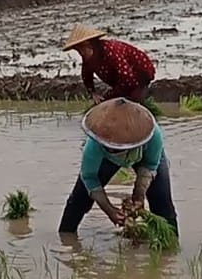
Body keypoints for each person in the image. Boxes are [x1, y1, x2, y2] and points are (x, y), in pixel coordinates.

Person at [58, 98, 178, 236]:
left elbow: (150, 165)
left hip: (143, 156)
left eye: (116, 149)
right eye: (110, 147)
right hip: (106, 160)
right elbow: (89, 177)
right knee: (79, 198)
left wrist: (139, 195)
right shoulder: (94, 146)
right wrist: (109, 209)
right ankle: (65, 237)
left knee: (162, 201)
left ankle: (171, 245)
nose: (113, 150)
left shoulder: (153, 135)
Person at [62, 24, 156, 104]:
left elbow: (127, 78)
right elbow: (86, 75)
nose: (81, 53)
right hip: (121, 81)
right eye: (78, 51)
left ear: (90, 45)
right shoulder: (88, 57)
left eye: (82, 49)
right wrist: (93, 93)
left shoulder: (109, 51)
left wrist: (114, 95)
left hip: (138, 73)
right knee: (107, 101)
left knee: (132, 102)